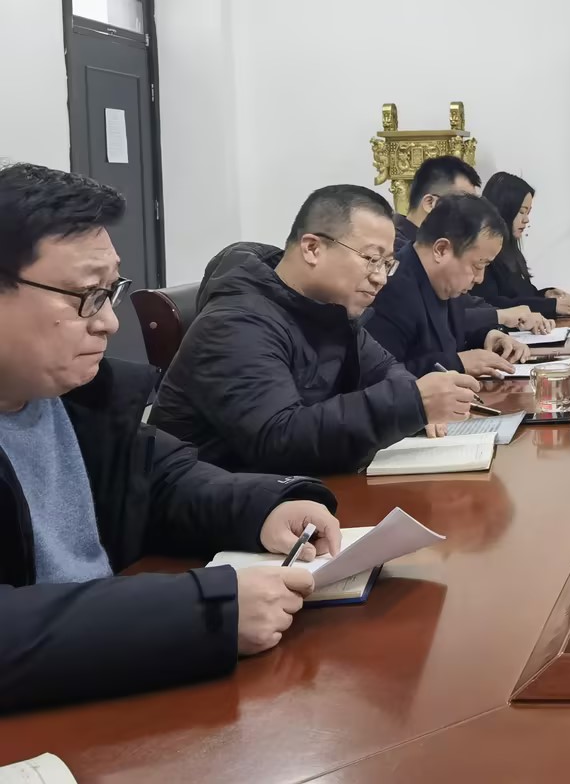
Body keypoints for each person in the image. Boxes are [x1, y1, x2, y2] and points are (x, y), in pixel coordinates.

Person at [0, 164, 343, 713]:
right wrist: (207, 611)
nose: (109, 323)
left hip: (105, 684)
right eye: (86, 295)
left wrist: (266, 507)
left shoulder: (75, 397)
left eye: (111, 292)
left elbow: (162, 478)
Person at [151, 185, 481, 474]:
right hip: (219, 509)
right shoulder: (235, 323)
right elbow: (279, 439)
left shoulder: (329, 310)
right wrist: (411, 403)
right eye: (371, 259)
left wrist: (419, 402)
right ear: (312, 248)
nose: (380, 277)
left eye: (387, 264)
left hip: (292, 494)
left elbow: (386, 370)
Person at [368, 193, 532, 379]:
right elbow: (382, 377)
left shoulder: (445, 282)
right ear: (441, 250)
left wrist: (490, 336)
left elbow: (454, 331)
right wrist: (457, 363)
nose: (479, 278)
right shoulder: (391, 289)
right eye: (478, 265)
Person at [398, 156, 552, 335]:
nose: (470, 211)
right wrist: (500, 316)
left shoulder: (449, 252)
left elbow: (463, 305)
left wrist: (489, 335)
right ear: (430, 203)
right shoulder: (398, 251)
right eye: (461, 201)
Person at [476, 171, 570, 320]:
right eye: (522, 212)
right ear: (504, 209)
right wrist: (550, 306)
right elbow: (493, 304)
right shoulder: (485, 253)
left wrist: (546, 294)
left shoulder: (511, 250)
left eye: (528, 212)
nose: (526, 219)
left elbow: (523, 294)